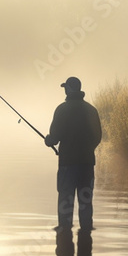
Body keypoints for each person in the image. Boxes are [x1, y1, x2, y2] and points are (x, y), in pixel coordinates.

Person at [44, 76, 102, 230]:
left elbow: (54, 138)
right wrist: (88, 148)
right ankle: (86, 232)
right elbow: (98, 137)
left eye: (65, 87)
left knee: (65, 200)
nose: (64, 90)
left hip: (67, 164)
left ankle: (64, 232)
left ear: (69, 89)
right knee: (86, 201)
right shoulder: (91, 110)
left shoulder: (62, 109)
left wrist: (48, 140)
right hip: (87, 164)